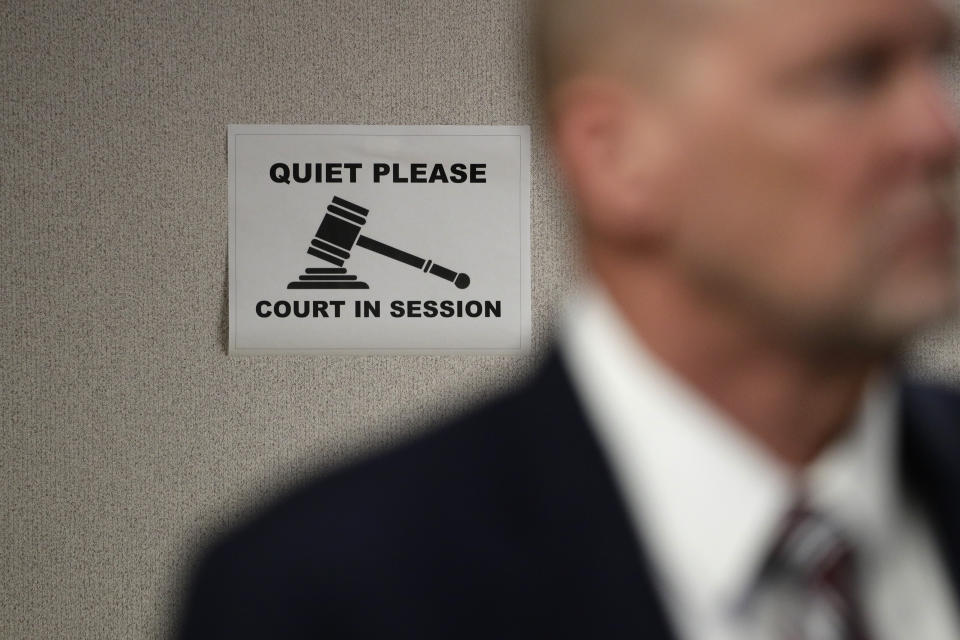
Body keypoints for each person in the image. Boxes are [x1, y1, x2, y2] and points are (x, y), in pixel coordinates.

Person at [178, 0, 960, 637]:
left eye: (943, 64)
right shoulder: (320, 594)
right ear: (616, 157)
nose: (939, 130)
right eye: (851, 76)